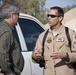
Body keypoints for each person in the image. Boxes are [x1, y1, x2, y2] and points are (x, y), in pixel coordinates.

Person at [32, 6, 76, 75]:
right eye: (48, 15)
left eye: (52, 16)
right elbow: (35, 56)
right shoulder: (42, 36)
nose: (49, 18)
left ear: (60, 18)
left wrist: (65, 55)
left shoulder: (70, 33)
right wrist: (35, 56)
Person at [0, 4, 24, 75]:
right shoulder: (6, 31)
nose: (18, 17)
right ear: (12, 16)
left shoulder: (3, 28)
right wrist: (9, 72)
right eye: (18, 14)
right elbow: (2, 54)